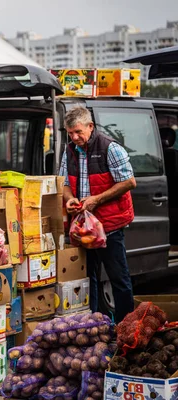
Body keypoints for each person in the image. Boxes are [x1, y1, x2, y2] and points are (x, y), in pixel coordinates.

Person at [58, 107, 137, 323]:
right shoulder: (70, 150)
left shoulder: (110, 148)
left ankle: (124, 328)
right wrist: (70, 199)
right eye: (70, 133)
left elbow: (129, 182)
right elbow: (64, 183)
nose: (74, 137)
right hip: (83, 228)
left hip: (109, 226)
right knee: (87, 277)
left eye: (78, 132)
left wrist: (96, 199)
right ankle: (92, 326)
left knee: (118, 278)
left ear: (90, 127)